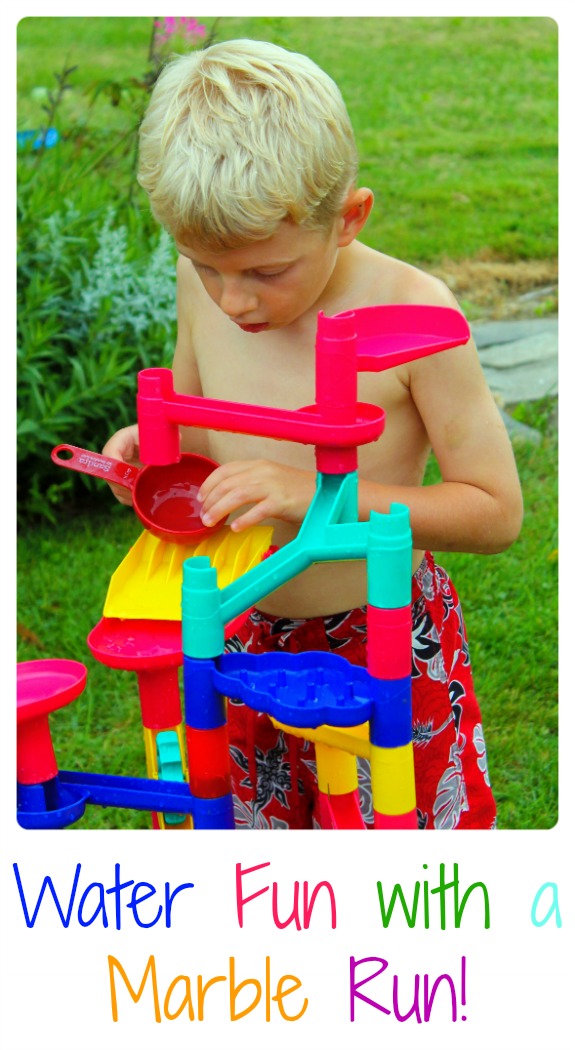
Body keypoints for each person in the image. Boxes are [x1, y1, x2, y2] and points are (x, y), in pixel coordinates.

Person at [104, 39, 523, 830]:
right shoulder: (211, 293)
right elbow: (197, 433)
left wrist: (316, 497)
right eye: (203, 266)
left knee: (394, 870)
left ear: (348, 218)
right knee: (257, 870)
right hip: (234, 630)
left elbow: (494, 512)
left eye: (265, 273)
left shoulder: (418, 317)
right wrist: (148, 447)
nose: (233, 302)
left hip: (380, 634)